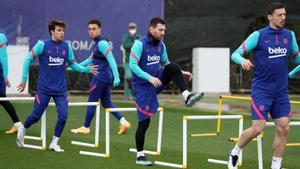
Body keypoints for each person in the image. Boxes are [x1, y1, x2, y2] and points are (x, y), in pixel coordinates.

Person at [228, 2, 300, 169]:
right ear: (270, 17)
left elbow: (297, 59)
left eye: (284, 14)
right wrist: (243, 60)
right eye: (279, 15)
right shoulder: (258, 36)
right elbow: (236, 54)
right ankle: (235, 151)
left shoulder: (289, 36)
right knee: (258, 128)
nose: (283, 18)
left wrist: (294, 68)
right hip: (262, 90)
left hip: (281, 93)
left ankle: (276, 166)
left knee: (284, 129)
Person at [129, 17, 204, 166]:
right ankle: (140, 155)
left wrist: (180, 72)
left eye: (164, 30)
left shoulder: (161, 45)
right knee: (144, 123)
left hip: (157, 81)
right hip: (143, 87)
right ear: (152, 29)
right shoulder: (139, 44)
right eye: (160, 30)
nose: (163, 33)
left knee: (173, 66)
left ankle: (187, 96)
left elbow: (166, 64)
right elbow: (132, 65)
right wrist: (149, 77)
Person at [16, 19, 98, 152]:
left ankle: (54, 143)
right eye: (59, 30)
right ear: (52, 31)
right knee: (36, 116)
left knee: (63, 115)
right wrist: (24, 79)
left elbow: (73, 64)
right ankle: (23, 128)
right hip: (44, 88)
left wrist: (86, 69)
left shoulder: (67, 47)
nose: (62, 33)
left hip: (60, 90)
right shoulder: (42, 45)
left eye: (63, 30)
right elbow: (27, 59)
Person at [70, 19, 131, 135]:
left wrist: (117, 76)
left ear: (99, 29)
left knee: (92, 102)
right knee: (106, 102)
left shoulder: (102, 43)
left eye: (94, 29)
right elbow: (90, 59)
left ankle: (86, 127)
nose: (91, 31)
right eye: (89, 29)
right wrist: (73, 67)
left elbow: (112, 60)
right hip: (105, 77)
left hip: (100, 77)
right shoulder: (97, 44)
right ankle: (124, 122)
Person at [0, 28, 23, 134]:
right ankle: (17, 124)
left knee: (2, 98)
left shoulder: (1, 37)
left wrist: (5, 77)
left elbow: (3, 58)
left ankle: (18, 124)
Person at [122, 22, 141, 99]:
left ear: (136, 28)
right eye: (131, 28)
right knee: (129, 76)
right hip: (127, 61)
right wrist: (134, 44)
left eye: (133, 28)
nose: (132, 29)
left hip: (137, 61)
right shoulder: (126, 36)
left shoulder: (139, 36)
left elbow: (140, 46)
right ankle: (130, 93)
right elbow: (125, 45)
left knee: (137, 78)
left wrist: (133, 45)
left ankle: (135, 95)